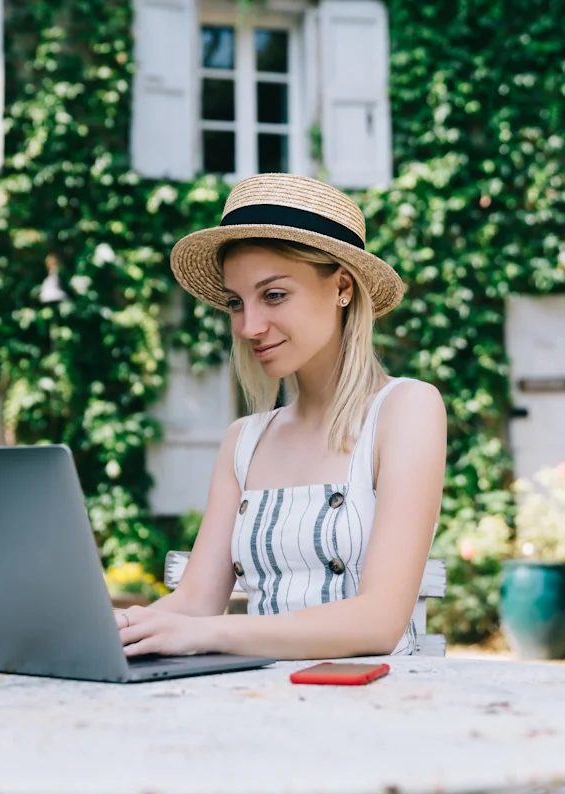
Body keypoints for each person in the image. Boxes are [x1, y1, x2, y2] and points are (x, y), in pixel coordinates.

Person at [116, 173, 447, 660]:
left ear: (342, 288)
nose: (249, 326)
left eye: (273, 295)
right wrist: (116, 623)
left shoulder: (405, 410)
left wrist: (212, 634)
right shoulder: (243, 440)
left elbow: (379, 621)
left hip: (374, 708)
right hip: (260, 703)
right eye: (236, 303)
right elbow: (195, 602)